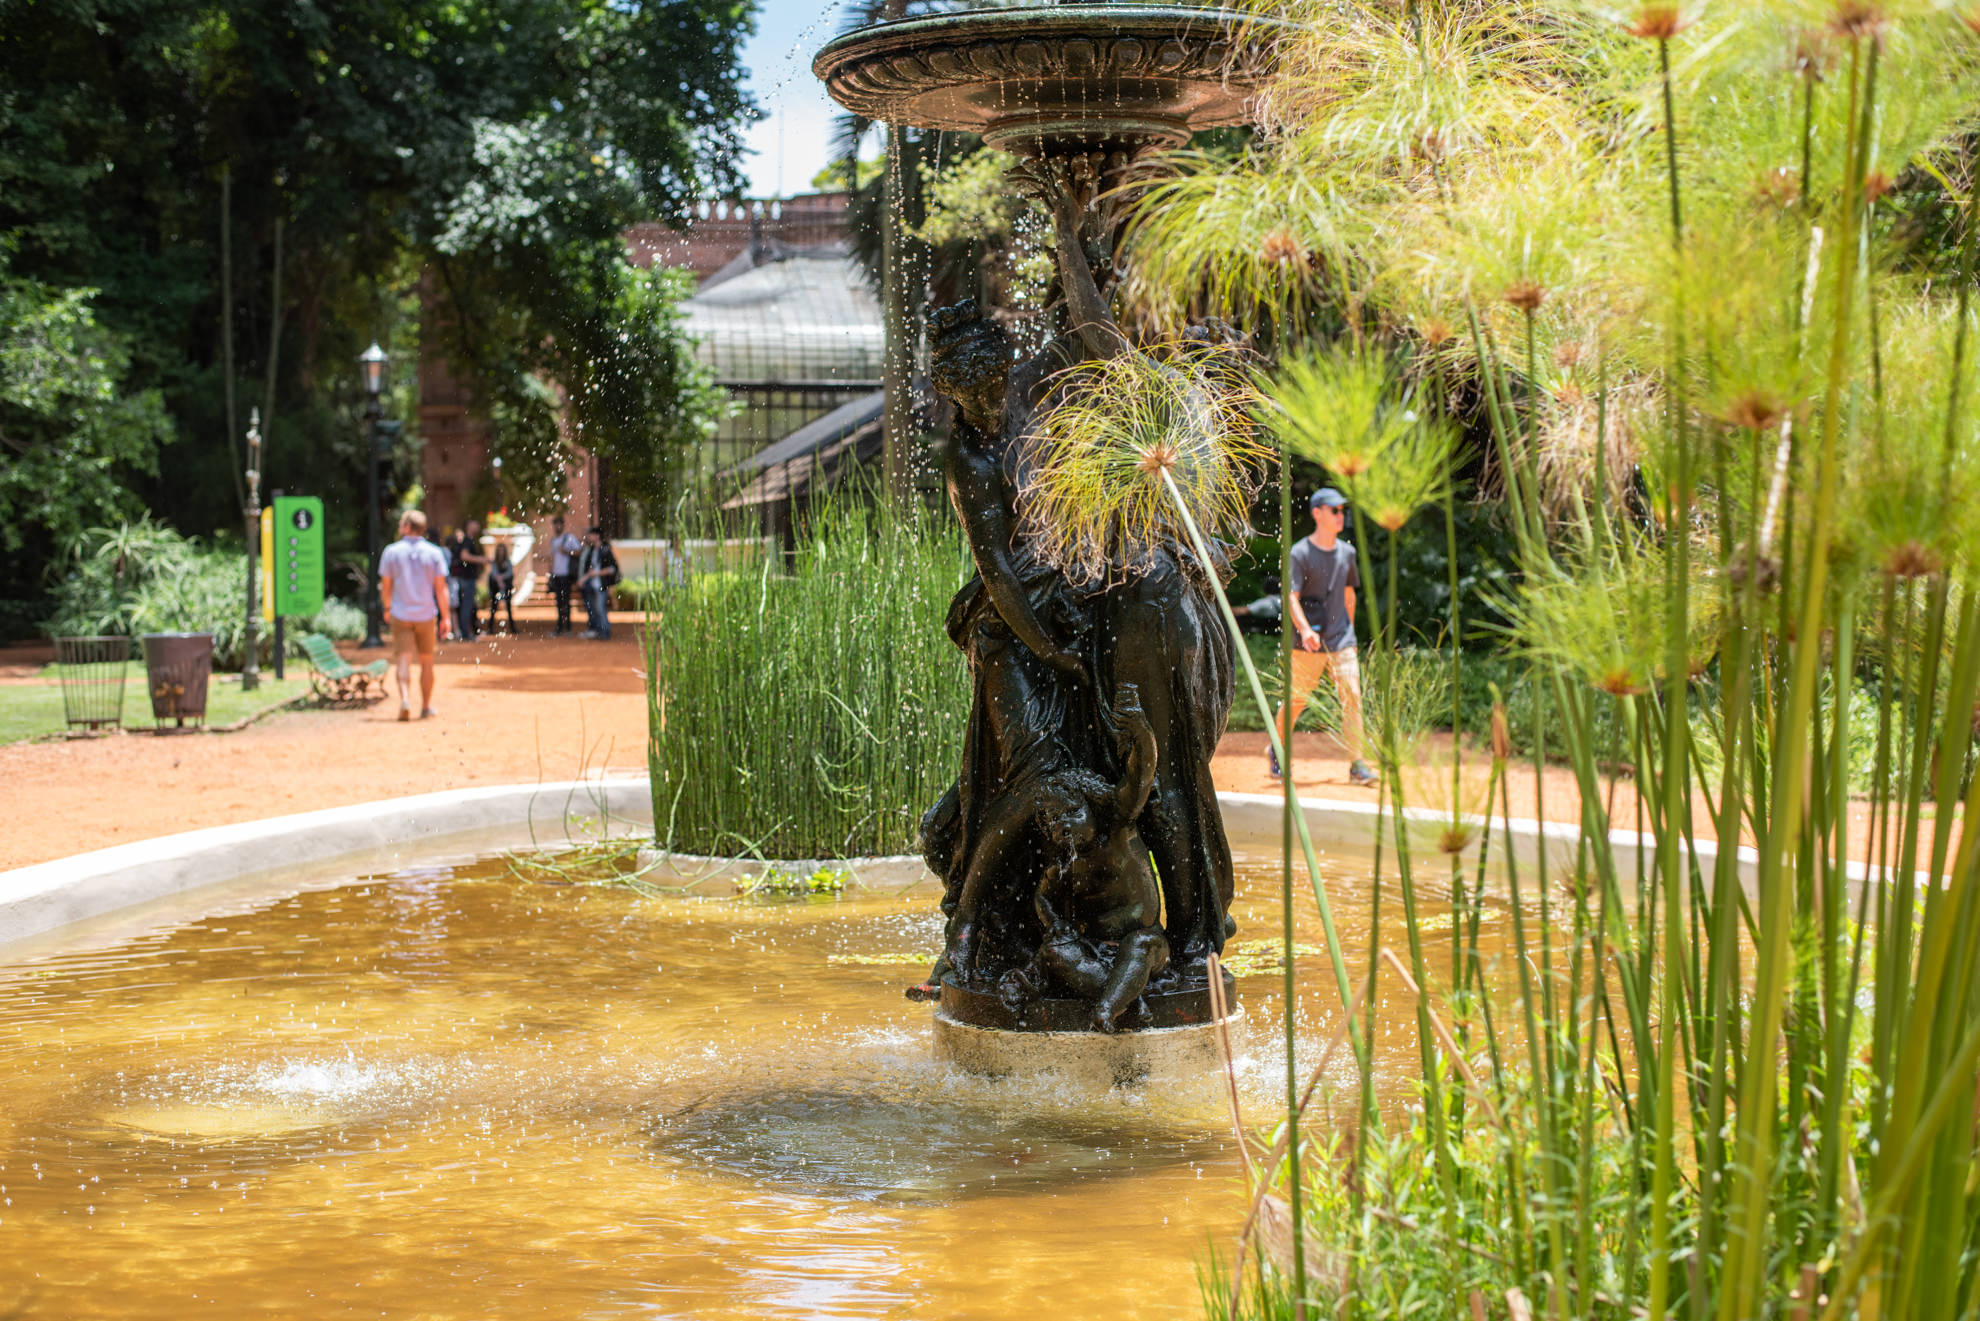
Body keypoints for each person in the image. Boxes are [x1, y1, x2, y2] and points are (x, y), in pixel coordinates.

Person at [1271, 488, 1376, 786]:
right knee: (1296, 700)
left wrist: (1349, 634)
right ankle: (1277, 750)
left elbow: (1348, 594)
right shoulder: (1300, 552)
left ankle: (1357, 764)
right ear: (1317, 513)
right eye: (1334, 510)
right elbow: (1290, 597)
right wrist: (1304, 630)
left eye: (1343, 510)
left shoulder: (1347, 553)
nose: (1341, 515)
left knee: (1353, 697)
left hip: (1341, 639)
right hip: (1308, 641)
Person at [377, 509, 452, 720]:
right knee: (427, 662)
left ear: (408, 527)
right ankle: (426, 706)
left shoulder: (391, 552)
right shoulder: (434, 553)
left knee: (403, 660)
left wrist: (387, 608)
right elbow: (441, 588)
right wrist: (446, 617)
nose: (400, 527)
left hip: (401, 614)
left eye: (402, 524)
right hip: (426, 614)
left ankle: (405, 700)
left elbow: (386, 586)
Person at [445, 519, 487, 641]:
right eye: (475, 523)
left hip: (465, 578)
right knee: (467, 606)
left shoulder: (466, 540)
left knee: (467, 605)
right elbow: (464, 556)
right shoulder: (467, 541)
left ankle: (467, 632)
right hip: (467, 579)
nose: (478, 525)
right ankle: (466, 634)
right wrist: (481, 559)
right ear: (469, 527)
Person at [576, 527, 620, 639]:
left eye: (591, 535)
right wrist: (583, 580)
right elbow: (589, 570)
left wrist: (598, 573)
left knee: (600, 608)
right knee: (593, 609)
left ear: (597, 536)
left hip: (601, 585)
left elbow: (612, 568)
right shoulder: (591, 551)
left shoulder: (605, 550)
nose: (589, 537)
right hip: (591, 585)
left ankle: (605, 631)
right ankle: (597, 630)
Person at [547, 515, 581, 636]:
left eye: (559, 524)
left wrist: (567, 552)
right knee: (558, 602)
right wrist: (550, 575)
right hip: (556, 575)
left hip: (566, 575)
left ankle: (568, 628)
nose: (557, 526)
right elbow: (551, 559)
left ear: (563, 525)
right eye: (555, 524)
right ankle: (559, 627)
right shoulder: (553, 541)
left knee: (566, 602)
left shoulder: (569, 538)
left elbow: (579, 552)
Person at [486, 541, 517, 636]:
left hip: (505, 586)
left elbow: (510, 573)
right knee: (493, 607)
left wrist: (501, 578)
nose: (500, 553)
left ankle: (512, 627)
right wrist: (499, 581)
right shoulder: (495, 562)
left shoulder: (508, 562)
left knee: (508, 607)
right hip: (495, 586)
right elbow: (494, 574)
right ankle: (490, 627)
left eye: (502, 551)